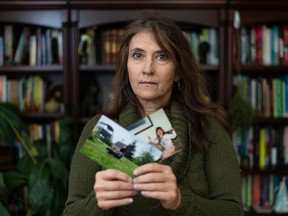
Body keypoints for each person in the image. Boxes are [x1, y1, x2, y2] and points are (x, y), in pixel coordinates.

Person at [64, 12, 244, 216]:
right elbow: (71, 212)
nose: (147, 69)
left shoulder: (208, 127)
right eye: (138, 55)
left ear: (177, 71)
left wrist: (180, 200)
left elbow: (234, 211)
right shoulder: (100, 130)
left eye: (162, 56)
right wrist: (98, 203)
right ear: (126, 66)